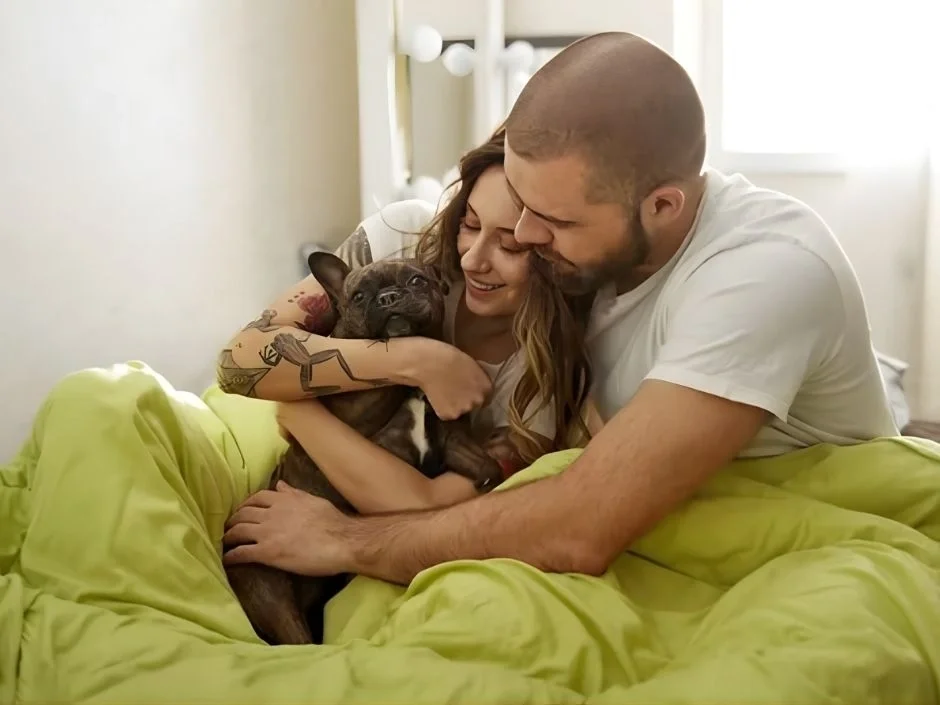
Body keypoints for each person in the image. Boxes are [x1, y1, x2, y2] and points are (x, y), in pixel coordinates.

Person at [222, 31, 898, 584]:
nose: (523, 238)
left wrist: (347, 540)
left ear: (663, 205)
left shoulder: (765, 274)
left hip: (800, 530)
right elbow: (242, 356)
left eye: (551, 220)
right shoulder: (581, 256)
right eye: (517, 199)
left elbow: (579, 524)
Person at [217, 127, 595, 514]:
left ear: (556, 258)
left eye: (510, 244)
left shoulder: (539, 376)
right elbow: (237, 362)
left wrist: (299, 412)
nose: (472, 259)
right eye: (470, 223)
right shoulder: (407, 237)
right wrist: (417, 362)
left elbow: (428, 506)